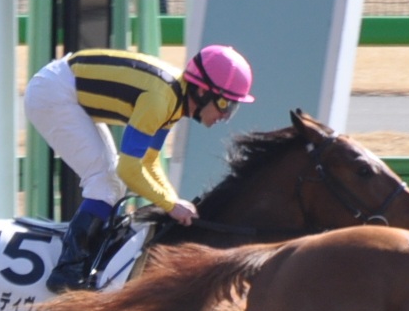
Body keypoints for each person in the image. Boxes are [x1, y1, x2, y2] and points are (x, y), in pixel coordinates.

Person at [24, 45, 254, 292]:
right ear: (201, 91)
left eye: (233, 107)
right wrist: (169, 205)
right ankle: (67, 272)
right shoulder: (160, 100)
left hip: (63, 88)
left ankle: (85, 260)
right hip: (53, 94)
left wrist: (173, 201)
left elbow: (149, 161)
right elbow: (130, 168)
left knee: (111, 181)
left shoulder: (174, 101)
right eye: (225, 104)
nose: (225, 115)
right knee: (105, 179)